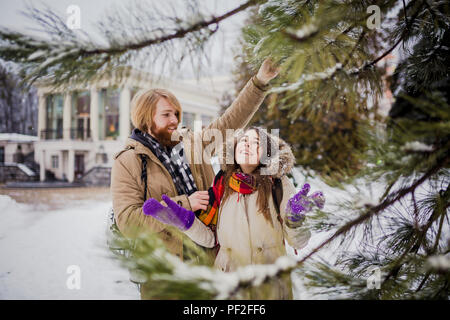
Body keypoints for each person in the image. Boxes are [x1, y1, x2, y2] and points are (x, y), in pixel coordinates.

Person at [110, 58, 280, 298]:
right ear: (146, 118)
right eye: (167, 114)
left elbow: (230, 121)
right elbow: (128, 222)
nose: (175, 120)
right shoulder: (129, 160)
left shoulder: (192, 143)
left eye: (176, 113)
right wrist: (185, 204)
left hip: (210, 265)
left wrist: (260, 82)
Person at [144, 127, 325, 299]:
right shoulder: (222, 184)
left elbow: (298, 243)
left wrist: (295, 220)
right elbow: (212, 240)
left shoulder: (278, 185)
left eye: (256, 143)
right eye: (244, 140)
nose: (247, 144)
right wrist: (185, 222)